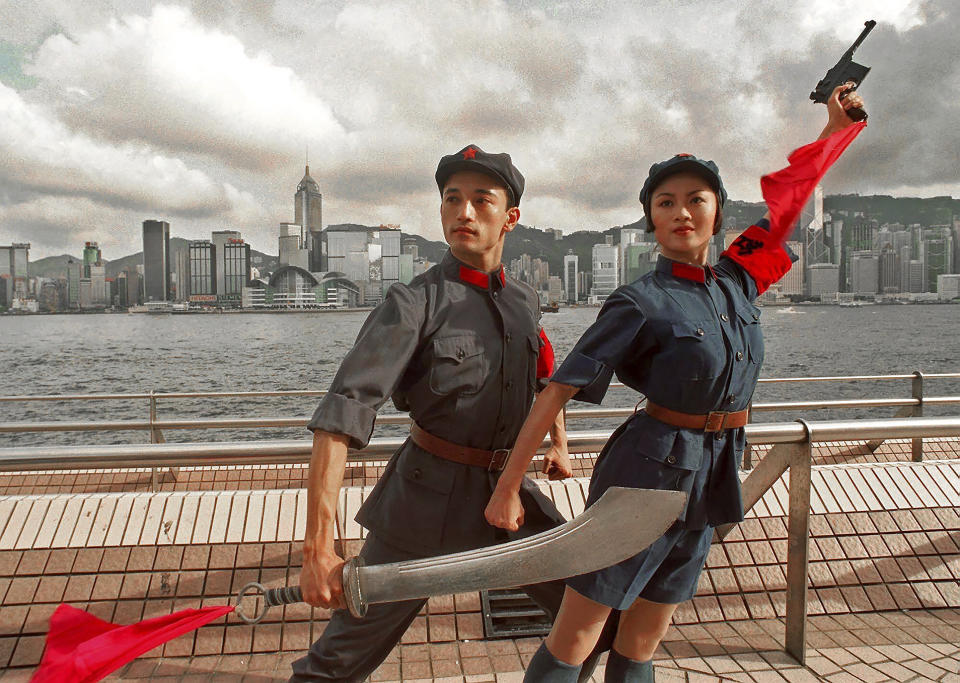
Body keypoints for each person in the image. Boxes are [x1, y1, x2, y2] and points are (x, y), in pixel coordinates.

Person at [484, 83, 867, 682]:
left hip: (712, 474)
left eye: (696, 199)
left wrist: (835, 130)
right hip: (642, 476)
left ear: (718, 211)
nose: (681, 212)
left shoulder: (738, 280)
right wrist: (510, 486)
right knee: (578, 633)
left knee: (643, 638)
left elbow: (790, 203)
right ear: (651, 220)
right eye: (665, 203)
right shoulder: (639, 301)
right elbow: (556, 389)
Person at [290, 144, 606, 682]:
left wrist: (558, 443)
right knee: (337, 664)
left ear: (510, 218)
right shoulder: (412, 303)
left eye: (481, 201)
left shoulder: (524, 302)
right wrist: (319, 547)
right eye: (452, 200)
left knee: (596, 611)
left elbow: (545, 377)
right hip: (423, 503)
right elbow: (340, 416)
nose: (464, 213)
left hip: (505, 494)